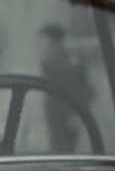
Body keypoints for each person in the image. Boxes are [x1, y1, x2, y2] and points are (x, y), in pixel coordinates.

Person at [39, 23, 91, 152]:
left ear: (52, 40)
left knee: (63, 149)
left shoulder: (57, 63)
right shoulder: (67, 59)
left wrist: (72, 113)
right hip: (61, 114)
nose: (43, 42)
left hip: (62, 116)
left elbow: (70, 89)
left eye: (45, 38)